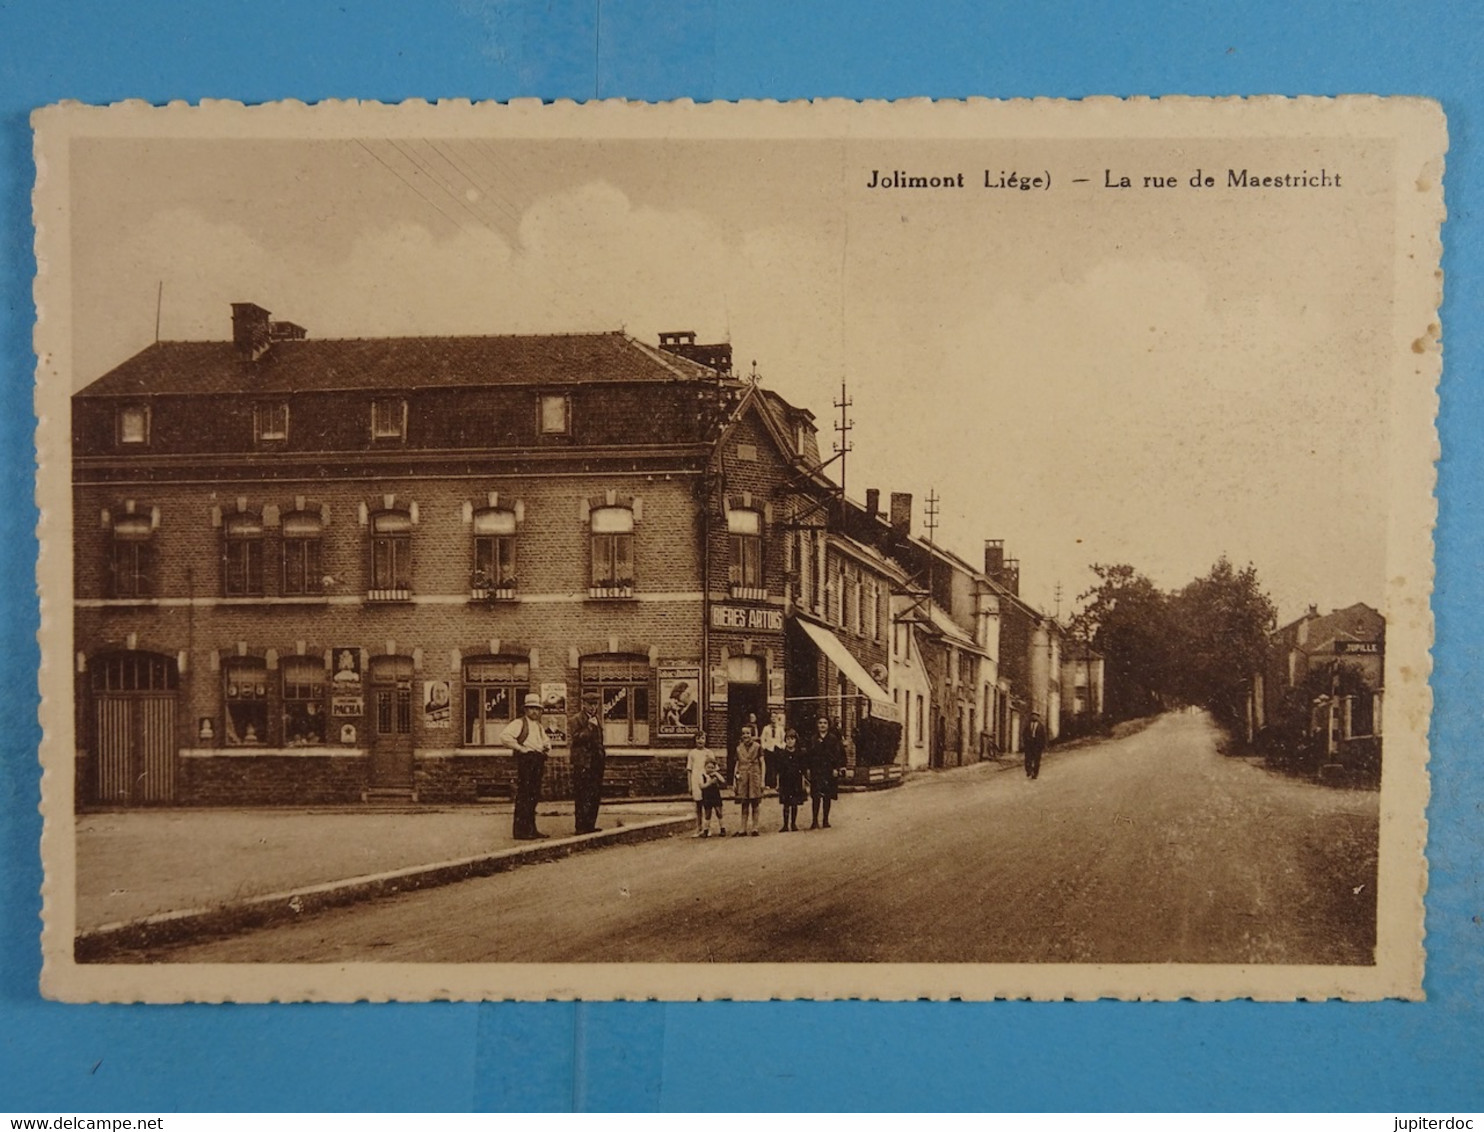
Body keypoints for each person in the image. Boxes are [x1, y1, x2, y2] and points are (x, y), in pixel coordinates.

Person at [500, 692, 551, 839]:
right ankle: (521, 831)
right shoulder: (519, 723)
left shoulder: (539, 727)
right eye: (531, 708)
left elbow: (546, 742)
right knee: (525, 795)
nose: (535, 711)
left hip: (538, 759)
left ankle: (532, 829)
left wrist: (546, 748)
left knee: (534, 795)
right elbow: (505, 737)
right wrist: (521, 749)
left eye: (537, 709)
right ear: (526, 710)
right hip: (527, 760)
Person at [569, 689, 606, 834]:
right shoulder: (575, 719)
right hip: (583, 763)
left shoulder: (597, 718)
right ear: (583, 704)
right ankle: (580, 826)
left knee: (594, 794)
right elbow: (576, 738)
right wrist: (589, 727)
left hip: (596, 763)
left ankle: (590, 824)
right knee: (582, 795)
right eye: (590, 704)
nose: (593, 707)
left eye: (595, 704)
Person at [806, 714, 846, 828]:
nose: (822, 725)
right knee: (816, 796)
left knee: (827, 796)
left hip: (828, 770)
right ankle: (814, 821)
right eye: (820, 723)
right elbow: (809, 755)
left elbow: (837, 754)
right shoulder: (813, 739)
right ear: (817, 725)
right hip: (816, 770)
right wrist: (808, 769)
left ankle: (825, 820)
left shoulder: (833, 739)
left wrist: (836, 768)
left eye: (825, 723)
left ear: (828, 725)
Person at [731, 722, 765, 836]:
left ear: (752, 734)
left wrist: (762, 780)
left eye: (748, 733)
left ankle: (755, 828)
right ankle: (743, 828)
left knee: (755, 803)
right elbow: (736, 765)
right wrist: (734, 781)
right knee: (744, 803)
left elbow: (762, 763)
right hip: (743, 777)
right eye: (744, 733)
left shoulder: (758, 747)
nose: (746, 735)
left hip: (754, 775)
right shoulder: (738, 748)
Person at [775, 727, 807, 832]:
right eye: (788, 739)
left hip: (796, 780)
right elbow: (779, 770)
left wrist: (803, 782)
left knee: (794, 803)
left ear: (796, 740)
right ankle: (785, 825)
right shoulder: (782, 754)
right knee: (786, 803)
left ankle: (793, 824)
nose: (790, 741)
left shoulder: (799, 754)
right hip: (785, 781)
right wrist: (778, 783)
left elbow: (803, 770)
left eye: (792, 739)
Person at [686, 731, 715, 836]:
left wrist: (712, 782)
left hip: (706, 779)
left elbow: (713, 769)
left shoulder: (709, 753)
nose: (700, 741)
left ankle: (708, 827)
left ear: (705, 740)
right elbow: (689, 770)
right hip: (696, 780)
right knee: (698, 805)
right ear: (695, 740)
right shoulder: (692, 753)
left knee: (707, 805)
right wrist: (690, 785)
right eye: (698, 738)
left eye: (702, 738)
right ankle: (699, 828)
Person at [698, 754, 727, 838]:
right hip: (707, 796)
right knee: (707, 813)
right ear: (705, 767)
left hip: (715, 795)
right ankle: (706, 830)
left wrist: (716, 774)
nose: (710, 769)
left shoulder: (715, 775)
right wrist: (709, 783)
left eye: (712, 767)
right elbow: (701, 786)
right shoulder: (702, 776)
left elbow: (723, 781)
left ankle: (722, 828)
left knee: (719, 812)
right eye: (708, 767)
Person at [759, 709, 785, 792]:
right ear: (770, 718)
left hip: (777, 749)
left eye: (775, 717)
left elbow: (783, 739)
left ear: (777, 718)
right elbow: (763, 739)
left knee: (778, 767)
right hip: (769, 749)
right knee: (769, 767)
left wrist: (781, 746)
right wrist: (764, 746)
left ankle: (777, 784)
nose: (773, 719)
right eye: (772, 717)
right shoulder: (766, 728)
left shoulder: (780, 728)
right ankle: (768, 784)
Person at [1023, 711, 1047, 780]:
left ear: (1038, 717)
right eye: (1032, 715)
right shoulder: (1027, 725)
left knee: (1037, 760)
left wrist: (1043, 745)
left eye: (1035, 716)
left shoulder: (1041, 726)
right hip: (1029, 745)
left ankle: (1035, 774)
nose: (1034, 717)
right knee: (1028, 759)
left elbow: (1043, 736)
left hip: (1037, 745)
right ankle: (1029, 770)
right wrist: (1025, 742)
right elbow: (1024, 734)